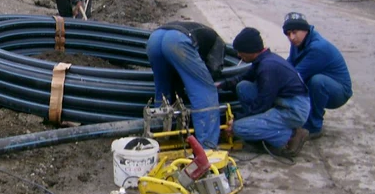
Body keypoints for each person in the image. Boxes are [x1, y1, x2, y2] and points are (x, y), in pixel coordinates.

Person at [218, 27, 311, 157]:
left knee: (238, 128)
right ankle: (261, 128)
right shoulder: (263, 60)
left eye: (241, 51)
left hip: (293, 110)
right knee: (243, 87)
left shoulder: (267, 68)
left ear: (250, 50)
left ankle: (291, 136)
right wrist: (221, 85)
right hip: (283, 101)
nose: (239, 55)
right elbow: (244, 77)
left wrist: (238, 119)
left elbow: (262, 104)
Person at [147, 21, 227, 149]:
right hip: (177, 41)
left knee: (164, 90)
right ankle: (207, 145)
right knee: (205, 89)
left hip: (155, 38)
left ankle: (161, 133)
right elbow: (214, 69)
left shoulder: (203, 34)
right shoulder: (218, 43)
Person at [283, 12, 352, 139]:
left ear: (305, 30)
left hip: (338, 92)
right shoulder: (298, 43)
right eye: (288, 34)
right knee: (304, 81)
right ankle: (313, 111)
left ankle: (314, 127)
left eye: (294, 32)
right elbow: (289, 66)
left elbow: (295, 75)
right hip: (325, 85)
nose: (291, 37)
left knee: (316, 81)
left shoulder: (318, 48)